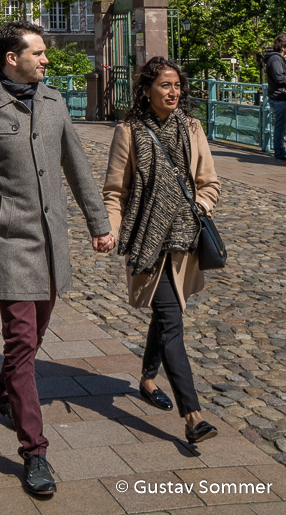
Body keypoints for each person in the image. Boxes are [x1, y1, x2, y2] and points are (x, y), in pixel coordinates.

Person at [0, 21, 113, 497]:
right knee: (22, 343)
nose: (46, 60)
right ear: (11, 58)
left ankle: (5, 392)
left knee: (33, 336)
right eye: (38, 53)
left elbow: (76, 165)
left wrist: (98, 222)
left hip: (53, 243)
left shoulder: (53, 102)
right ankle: (35, 451)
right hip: (9, 243)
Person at [103, 56, 221, 446]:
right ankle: (193, 415)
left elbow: (209, 183)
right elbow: (115, 191)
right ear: (147, 90)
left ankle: (147, 377)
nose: (173, 92)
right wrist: (109, 231)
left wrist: (199, 206)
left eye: (177, 86)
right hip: (147, 241)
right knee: (172, 321)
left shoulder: (192, 129)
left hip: (184, 241)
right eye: (164, 86)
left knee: (164, 313)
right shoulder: (129, 131)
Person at [264, 34, 286, 161]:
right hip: (280, 98)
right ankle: (280, 153)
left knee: (282, 126)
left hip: (279, 97)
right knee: (280, 127)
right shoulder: (276, 60)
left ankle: (279, 151)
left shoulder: (276, 59)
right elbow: (279, 78)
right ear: (283, 47)